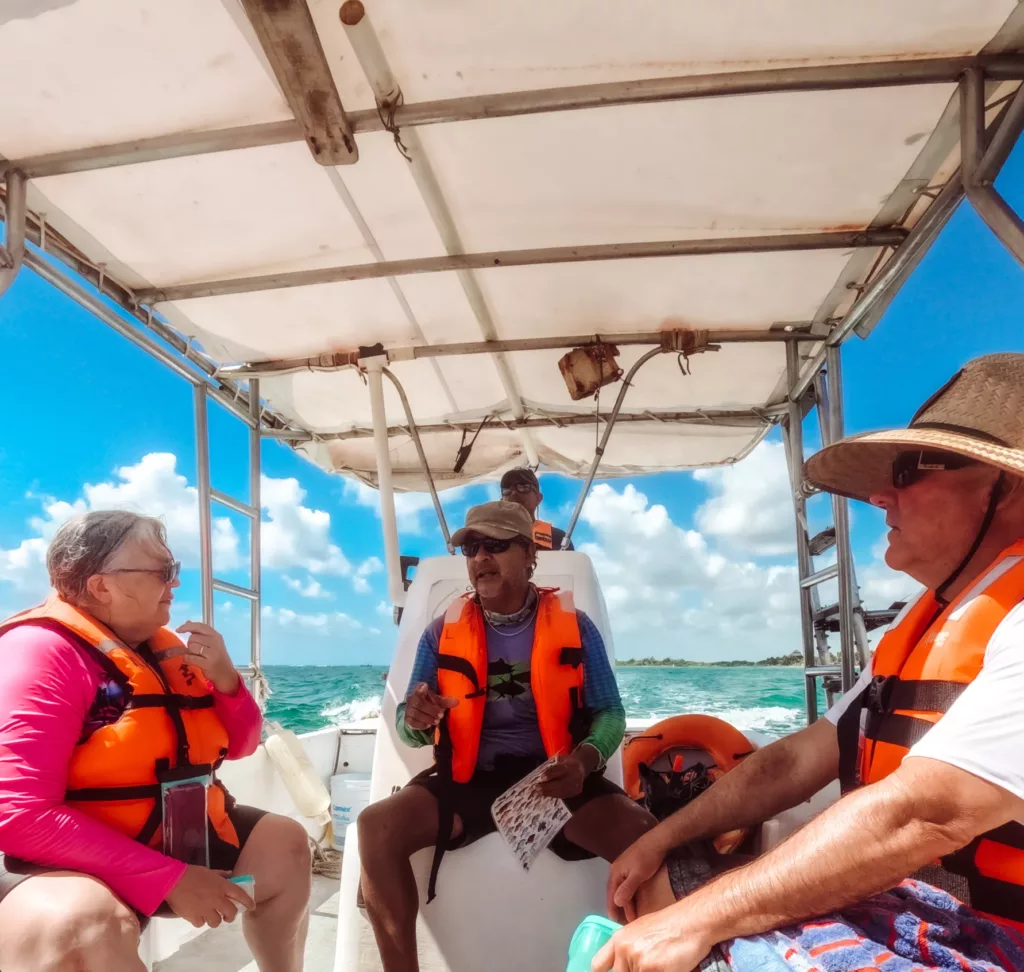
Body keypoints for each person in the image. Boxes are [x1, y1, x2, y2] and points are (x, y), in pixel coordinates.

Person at [597, 353, 1024, 972]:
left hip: (993, 937)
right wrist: (659, 836)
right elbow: (795, 760)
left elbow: (927, 812)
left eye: (906, 472)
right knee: (666, 880)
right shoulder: (917, 622)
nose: (881, 496)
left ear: (1002, 486)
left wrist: (697, 919)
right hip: (913, 906)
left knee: (702, 934)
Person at [0, 511, 311, 972]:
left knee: (285, 844)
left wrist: (227, 682)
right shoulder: (41, 653)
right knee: (80, 925)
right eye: (162, 572)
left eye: (175, 570)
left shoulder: (166, 652)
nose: (175, 584)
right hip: (75, 861)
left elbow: (241, 747)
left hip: (171, 836)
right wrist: (169, 880)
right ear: (101, 586)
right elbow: (20, 816)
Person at [358, 500, 654, 972]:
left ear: (530, 557)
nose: (480, 557)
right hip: (467, 779)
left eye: (495, 545)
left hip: (554, 778)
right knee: (375, 827)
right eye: (472, 547)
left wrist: (583, 762)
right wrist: (415, 719)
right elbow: (408, 729)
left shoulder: (578, 628)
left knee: (645, 837)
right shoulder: (440, 635)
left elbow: (610, 714)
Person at [500, 466, 574, 550]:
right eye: (506, 490)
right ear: (501, 501)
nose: (513, 493)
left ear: (538, 498)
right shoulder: (490, 538)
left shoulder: (559, 538)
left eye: (524, 487)